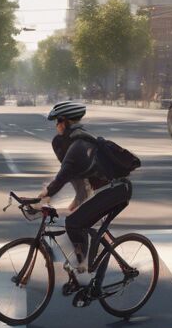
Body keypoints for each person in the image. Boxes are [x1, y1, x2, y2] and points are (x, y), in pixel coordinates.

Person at [36, 101, 131, 275]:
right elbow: (80, 184)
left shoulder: (78, 145)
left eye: (57, 121)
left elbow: (62, 176)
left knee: (73, 223)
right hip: (106, 191)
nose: (56, 125)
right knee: (77, 221)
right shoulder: (74, 141)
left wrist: (43, 195)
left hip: (114, 190)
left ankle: (84, 268)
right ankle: (84, 267)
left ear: (65, 121)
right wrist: (72, 204)